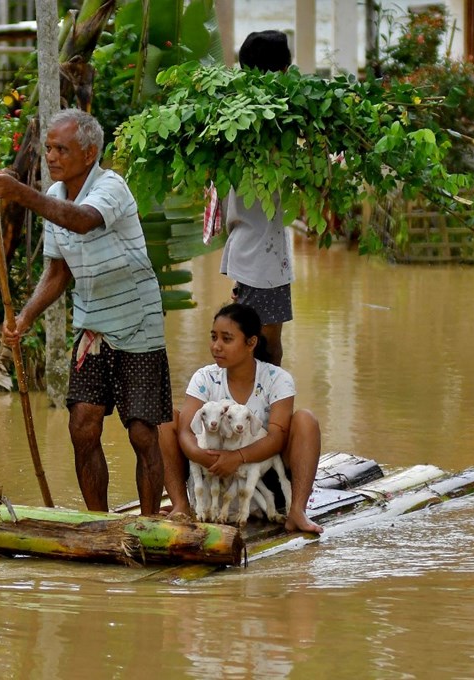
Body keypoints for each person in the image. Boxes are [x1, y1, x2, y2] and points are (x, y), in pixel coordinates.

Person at [0, 109, 171, 515]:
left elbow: (82, 221)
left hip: (137, 322)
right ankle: (98, 522)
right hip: (93, 326)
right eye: (48, 148)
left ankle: (150, 522)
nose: (51, 156)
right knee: (82, 426)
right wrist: (24, 318)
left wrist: (19, 193)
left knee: (141, 432)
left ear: (90, 153)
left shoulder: (110, 186)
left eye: (61, 149)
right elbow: (58, 272)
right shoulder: (56, 198)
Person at [160, 302, 324, 534]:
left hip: (261, 479)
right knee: (165, 419)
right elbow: (186, 431)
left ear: (251, 343)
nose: (216, 346)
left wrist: (237, 458)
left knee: (306, 420)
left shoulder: (277, 379)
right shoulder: (204, 378)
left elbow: (277, 436)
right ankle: (181, 505)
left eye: (226, 339)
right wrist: (205, 458)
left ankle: (296, 510)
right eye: (213, 337)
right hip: (210, 477)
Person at [220, 30, 296, 365]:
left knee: (255, 343)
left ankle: (260, 410)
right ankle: (265, 412)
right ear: (281, 72)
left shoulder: (234, 118)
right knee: (266, 346)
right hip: (261, 256)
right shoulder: (275, 123)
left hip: (249, 248)